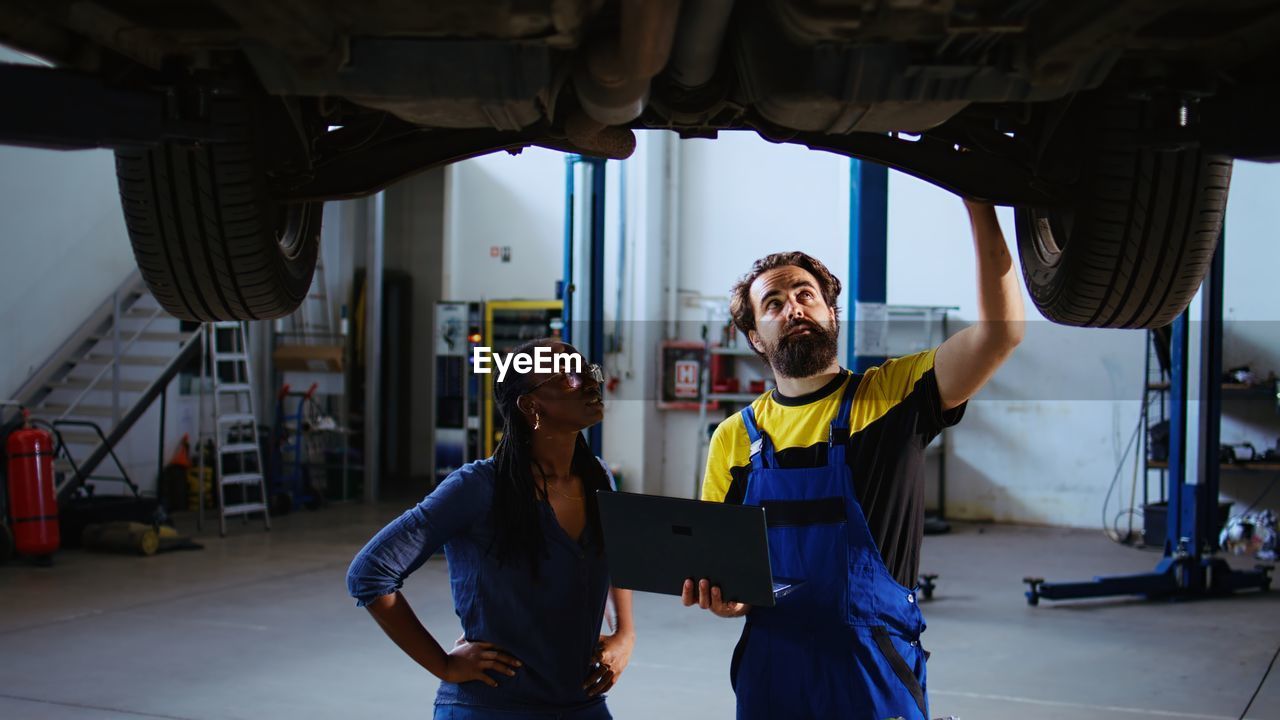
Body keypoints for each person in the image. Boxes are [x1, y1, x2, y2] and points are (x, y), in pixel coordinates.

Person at [683, 200, 1024, 719]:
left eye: (805, 295)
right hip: (772, 670)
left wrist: (978, 203)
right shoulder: (733, 438)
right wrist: (726, 598)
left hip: (872, 667)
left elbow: (1000, 334)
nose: (793, 307)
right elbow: (723, 569)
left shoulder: (892, 393)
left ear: (830, 313)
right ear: (755, 336)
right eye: (773, 303)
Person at [347, 339, 635, 720]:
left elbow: (617, 553)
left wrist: (624, 633)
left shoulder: (598, 478)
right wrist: (444, 665)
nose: (589, 382)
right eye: (568, 377)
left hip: (581, 703)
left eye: (588, 371)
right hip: (494, 707)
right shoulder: (477, 487)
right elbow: (370, 573)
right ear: (530, 405)